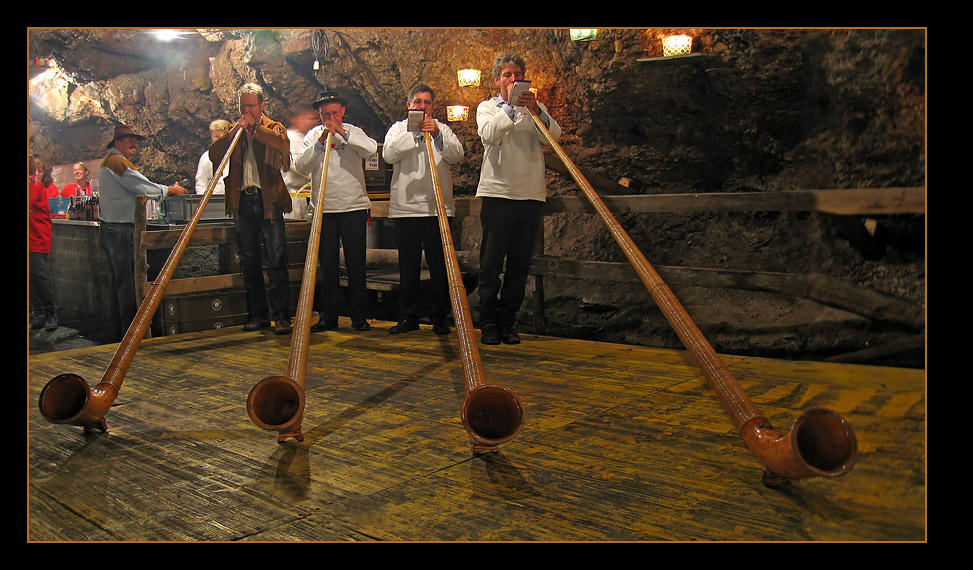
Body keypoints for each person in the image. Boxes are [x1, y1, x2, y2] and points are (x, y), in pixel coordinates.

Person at [475, 52, 561, 345]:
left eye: (517, 75)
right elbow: (488, 135)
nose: (513, 80)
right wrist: (510, 109)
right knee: (490, 262)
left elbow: (553, 138)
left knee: (519, 265)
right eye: (507, 75)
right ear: (497, 80)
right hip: (498, 193)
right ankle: (487, 322)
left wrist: (536, 111)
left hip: (530, 194)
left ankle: (508, 321)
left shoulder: (535, 109)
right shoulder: (487, 108)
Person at [209, 83, 293, 335]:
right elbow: (214, 155)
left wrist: (255, 129)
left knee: (277, 260)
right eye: (243, 106)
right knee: (249, 262)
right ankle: (257, 315)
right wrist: (236, 130)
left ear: (261, 106)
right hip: (243, 201)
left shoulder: (273, 127)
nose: (246, 110)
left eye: (251, 105)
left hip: (268, 201)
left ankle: (281, 316)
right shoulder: (232, 132)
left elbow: (282, 146)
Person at [382, 83, 464, 335]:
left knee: (440, 267)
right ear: (409, 105)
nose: (422, 106)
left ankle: (439, 316)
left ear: (433, 106)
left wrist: (437, 134)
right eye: (417, 102)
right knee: (408, 266)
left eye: (427, 102)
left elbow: (457, 155)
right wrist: (414, 134)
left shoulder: (443, 129)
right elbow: (388, 154)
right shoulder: (398, 129)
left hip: (437, 209)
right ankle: (408, 316)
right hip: (406, 210)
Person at [294, 90, 377, 332]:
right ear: (319, 115)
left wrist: (342, 133)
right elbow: (300, 166)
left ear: (342, 112)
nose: (330, 118)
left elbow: (371, 150)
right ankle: (328, 316)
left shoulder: (353, 131)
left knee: (355, 264)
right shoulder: (312, 136)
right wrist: (320, 142)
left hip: (353, 206)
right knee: (327, 266)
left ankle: (359, 315)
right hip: (324, 209)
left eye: (334, 113)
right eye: (325, 114)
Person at [98, 124, 188, 340]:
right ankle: (131, 336)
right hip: (121, 230)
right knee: (128, 284)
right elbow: (143, 187)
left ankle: (120, 334)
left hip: (112, 229)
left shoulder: (110, 161)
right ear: (117, 143)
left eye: (135, 139)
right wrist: (170, 190)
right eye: (129, 139)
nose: (134, 144)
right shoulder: (117, 162)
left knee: (120, 284)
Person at [29, 156, 58, 331]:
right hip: (31, 236)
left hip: (37, 237)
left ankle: (49, 312)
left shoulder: (33, 184)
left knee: (35, 274)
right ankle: (37, 311)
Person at [283, 108, 318, 220]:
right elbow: (295, 165)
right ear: (295, 119)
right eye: (308, 118)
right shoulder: (289, 137)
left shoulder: (305, 138)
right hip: (291, 194)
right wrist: (319, 177)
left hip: (303, 195)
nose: (312, 122)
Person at [195, 119, 231, 195]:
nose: (219, 140)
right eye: (216, 137)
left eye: (222, 136)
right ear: (211, 137)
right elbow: (201, 184)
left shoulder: (237, 155)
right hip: (213, 201)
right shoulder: (206, 157)